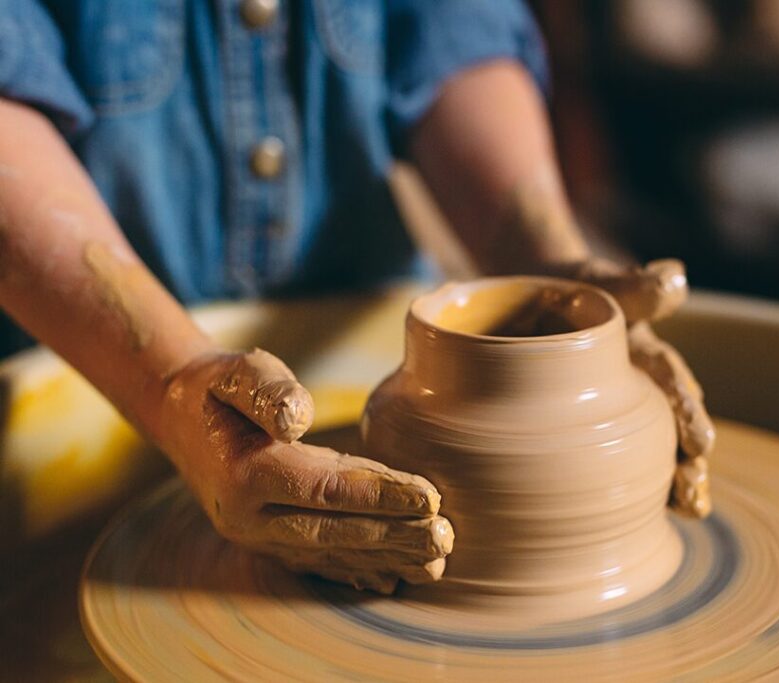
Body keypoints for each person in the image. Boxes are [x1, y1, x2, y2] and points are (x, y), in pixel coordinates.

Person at [0, 0, 713, 592]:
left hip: (375, 338)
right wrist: (170, 382)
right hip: (87, 349)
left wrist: (548, 268)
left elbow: (452, 28)